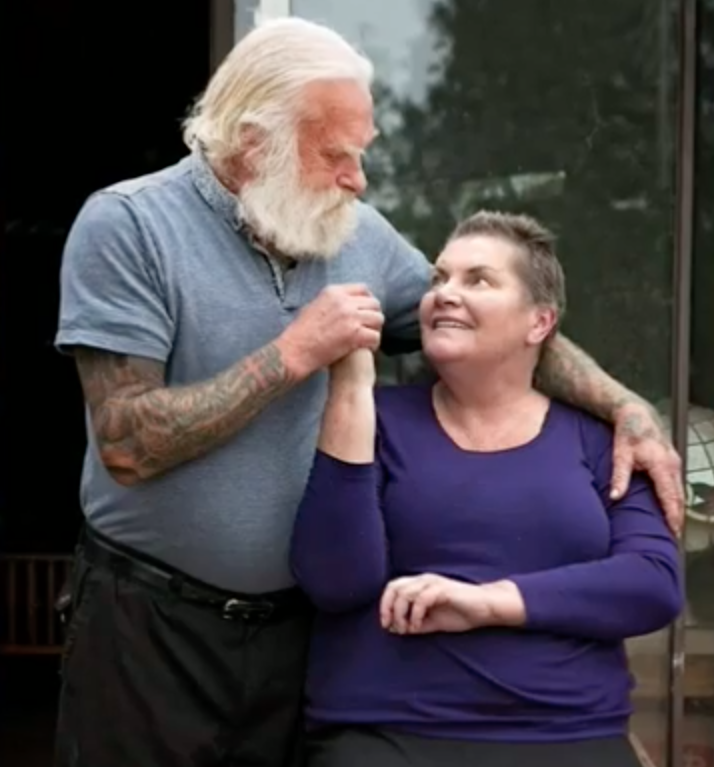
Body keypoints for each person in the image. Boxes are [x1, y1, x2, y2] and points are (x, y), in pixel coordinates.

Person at [53, 16, 683, 767]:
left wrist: (625, 406)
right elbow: (126, 441)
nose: (358, 179)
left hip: (296, 633)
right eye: (336, 156)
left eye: (363, 154)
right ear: (255, 144)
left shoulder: (356, 233)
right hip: (148, 626)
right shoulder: (128, 225)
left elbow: (496, 329)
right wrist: (293, 354)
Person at [290, 210, 684, 767]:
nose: (445, 293)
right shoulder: (373, 421)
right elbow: (335, 581)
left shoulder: (605, 440)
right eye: (439, 280)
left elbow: (653, 584)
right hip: (390, 734)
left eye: (478, 280)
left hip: (568, 733)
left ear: (539, 323)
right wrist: (352, 385)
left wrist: (487, 602)